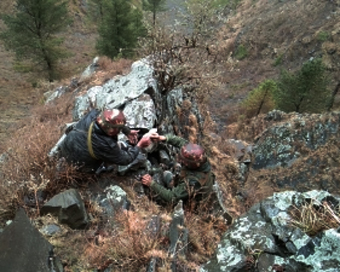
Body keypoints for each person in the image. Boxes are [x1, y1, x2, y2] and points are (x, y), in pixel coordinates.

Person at [59, 108, 151, 173]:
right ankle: (99, 169)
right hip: (78, 164)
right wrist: (140, 145)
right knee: (119, 152)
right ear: (111, 131)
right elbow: (125, 159)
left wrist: (126, 131)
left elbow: (110, 123)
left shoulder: (93, 114)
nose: (119, 131)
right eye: (118, 130)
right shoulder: (105, 144)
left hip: (66, 145)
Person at [140, 134, 216, 210]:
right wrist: (164, 138)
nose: (182, 161)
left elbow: (172, 197)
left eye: (185, 162)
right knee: (166, 174)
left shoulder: (193, 181)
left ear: (192, 164)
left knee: (158, 196)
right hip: (185, 184)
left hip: (189, 204)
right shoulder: (200, 157)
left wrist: (152, 184)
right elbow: (182, 142)